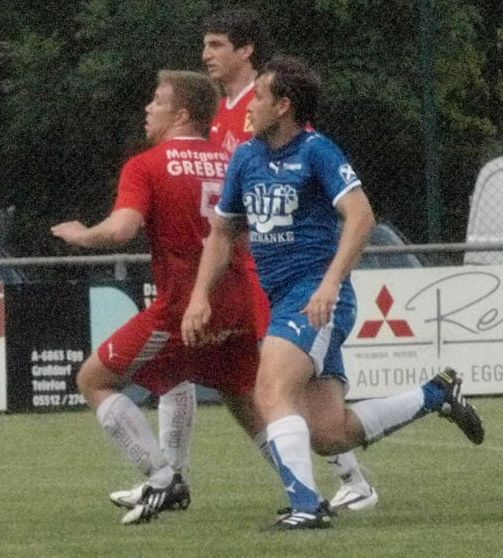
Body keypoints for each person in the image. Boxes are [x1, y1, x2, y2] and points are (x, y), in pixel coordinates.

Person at [181, 55, 484, 530]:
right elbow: (222, 232)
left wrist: (329, 283)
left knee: (270, 389)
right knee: (329, 434)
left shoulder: (317, 152)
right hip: (286, 298)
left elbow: (361, 216)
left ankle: (306, 506)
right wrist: (200, 295)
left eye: (259, 97)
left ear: (283, 105)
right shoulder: (246, 157)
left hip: (316, 296)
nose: (249, 107)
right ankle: (435, 394)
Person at [147, 7, 377, 516]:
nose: (206, 55)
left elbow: (304, 177)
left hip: (281, 268)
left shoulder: (274, 107)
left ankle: (339, 483)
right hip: (242, 266)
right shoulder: (218, 114)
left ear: (246, 50)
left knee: (270, 385)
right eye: (205, 45)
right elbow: (227, 208)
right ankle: (171, 477)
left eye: (216, 45)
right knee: (224, 376)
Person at [51, 69, 266, 525]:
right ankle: (308, 489)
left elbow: (122, 229)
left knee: (94, 379)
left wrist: (82, 235)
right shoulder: (232, 161)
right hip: (238, 301)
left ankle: (163, 478)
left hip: (184, 306)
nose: (148, 109)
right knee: (241, 401)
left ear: (182, 114)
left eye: (157, 101)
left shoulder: (146, 165)